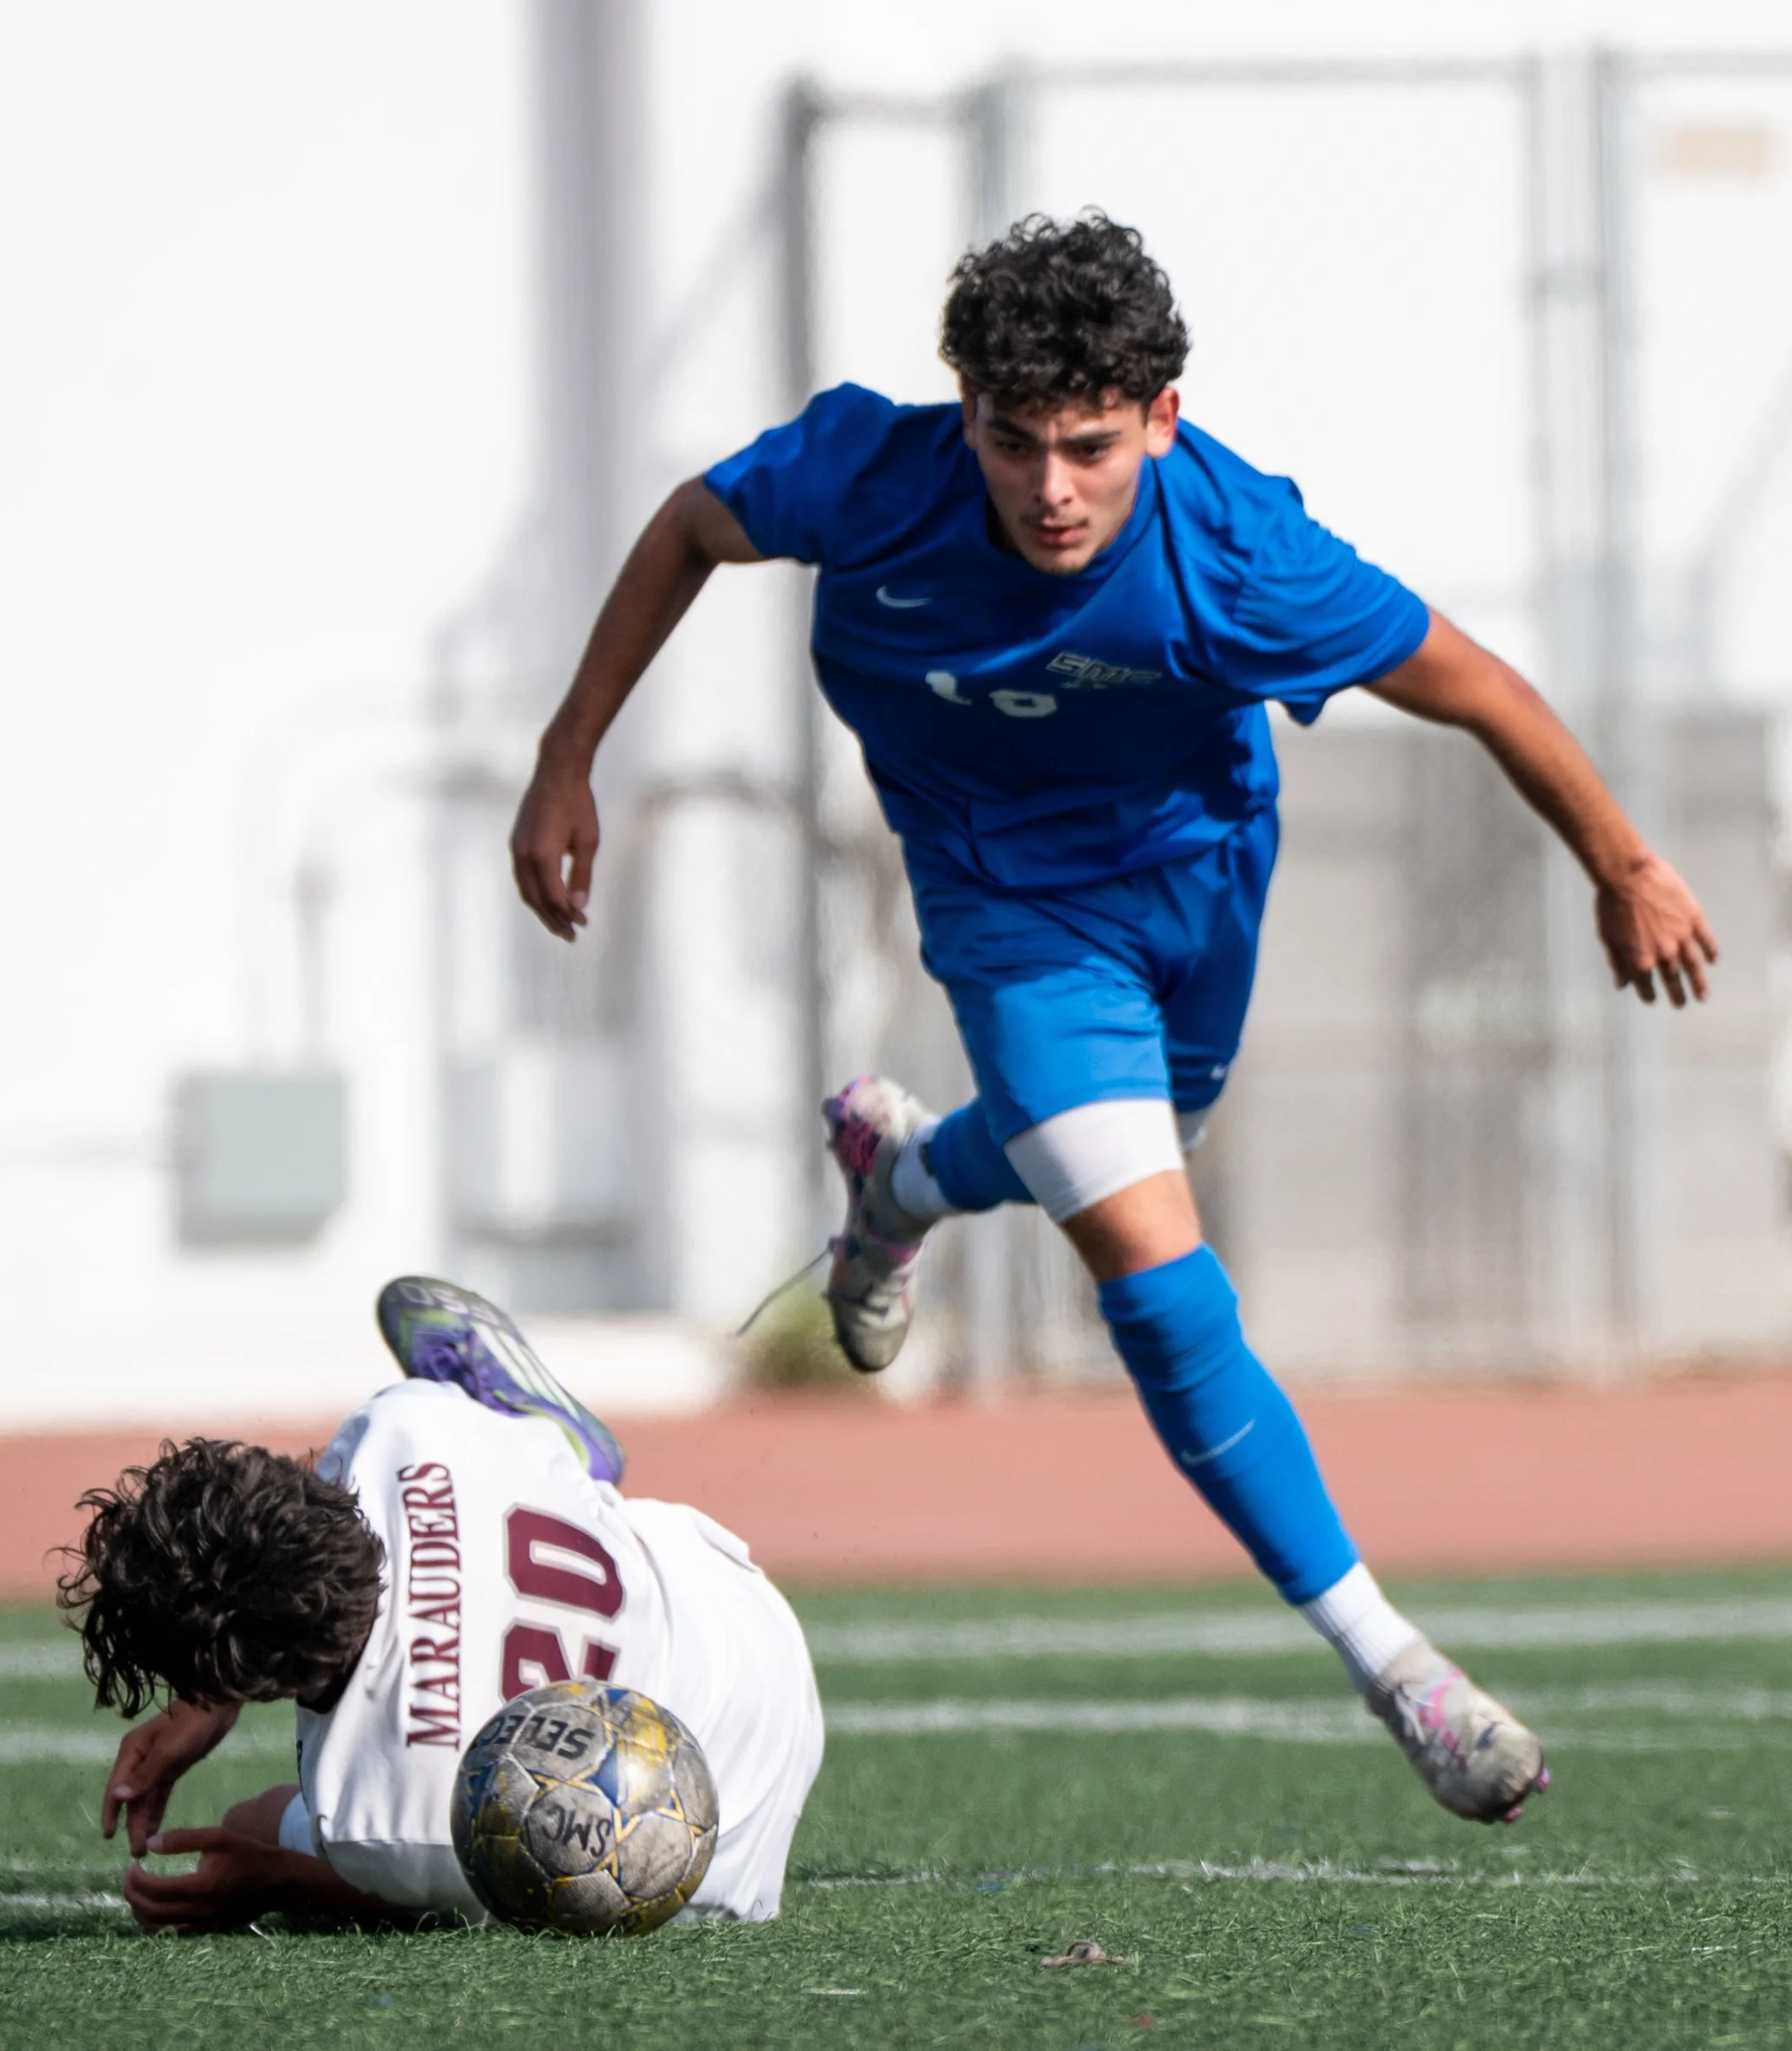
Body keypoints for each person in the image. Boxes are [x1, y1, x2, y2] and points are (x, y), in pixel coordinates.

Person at [507, 211, 1720, 1825]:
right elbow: (687, 528)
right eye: (1014, 442)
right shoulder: (869, 474)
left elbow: (1478, 683)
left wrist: (1624, 863)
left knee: (1143, 1138)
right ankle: (1394, 1660)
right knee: (1157, 1270)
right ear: (966, 414)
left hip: (1197, 886)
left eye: (1089, 445)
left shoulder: (1242, 555)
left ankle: (905, 1177)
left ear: (1161, 416)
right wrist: (568, 754)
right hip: (1007, 908)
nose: (1051, 488)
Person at [62, 1277, 823, 1931]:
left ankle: (550, 1446)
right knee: (499, 1472)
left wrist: (274, 1881)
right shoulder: (403, 1424)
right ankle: (540, 1440)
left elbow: (418, 1902)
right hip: (733, 1605)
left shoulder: (380, 1821)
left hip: (713, 1858)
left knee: (247, 1827)